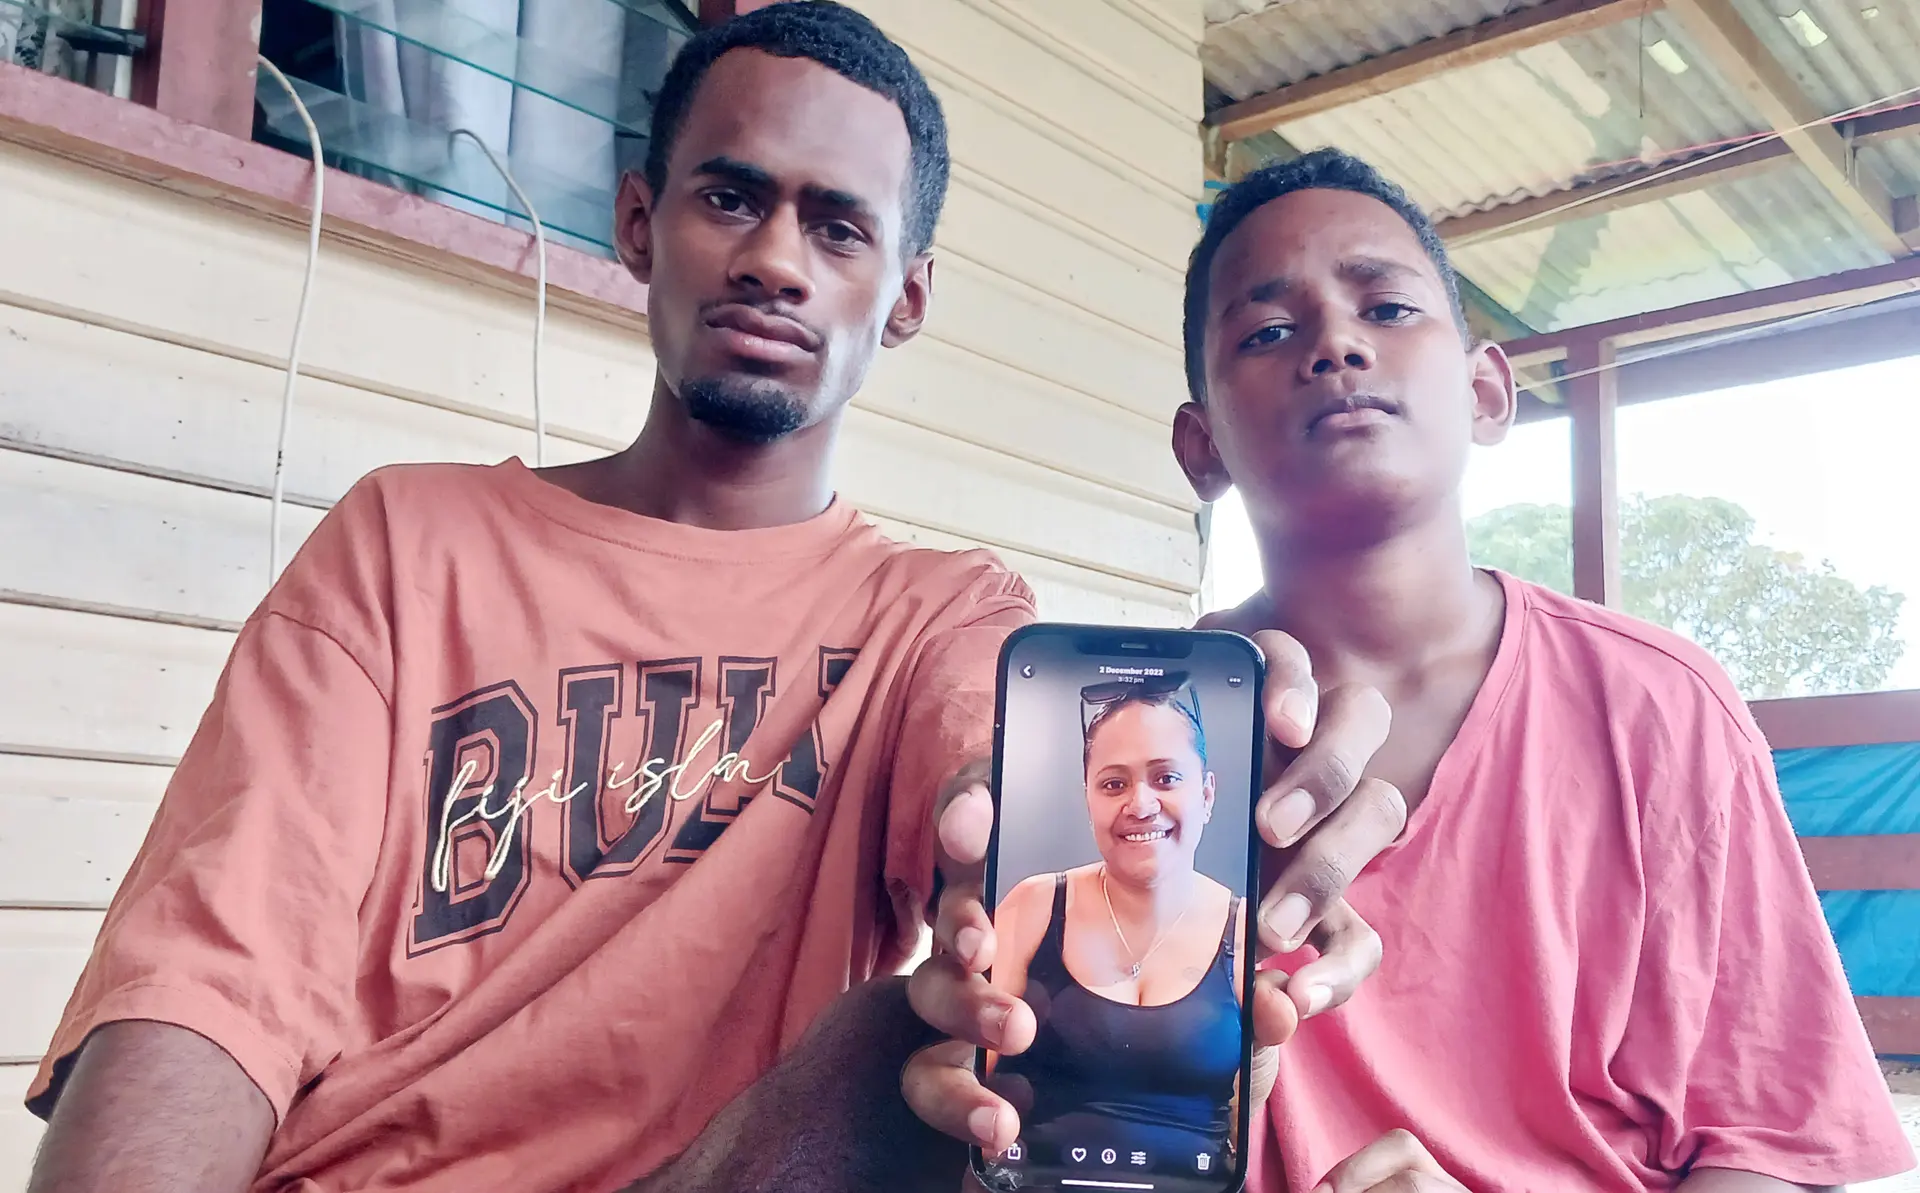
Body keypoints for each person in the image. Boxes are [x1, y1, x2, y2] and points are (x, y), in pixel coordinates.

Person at [22, 6, 1407, 1191]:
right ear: (640, 222)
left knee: (898, 1043)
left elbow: (988, 777)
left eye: (840, 227)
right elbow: (209, 990)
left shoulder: (934, 614)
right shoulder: (411, 541)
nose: (776, 260)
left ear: (905, 299)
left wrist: (1147, 858)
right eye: (731, 198)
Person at [908, 145, 1916, 1192]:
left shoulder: (1660, 707)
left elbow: (1773, 1151)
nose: (1337, 343)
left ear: (1487, 392)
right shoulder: (1138, 736)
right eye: (1267, 330)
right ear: (1200, 447)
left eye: (1386, 309)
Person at [988, 678, 1248, 1171]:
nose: (1140, 803)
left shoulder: (1246, 932)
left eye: (1166, 778)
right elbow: (967, 1074)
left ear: (1207, 794)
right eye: (1114, 784)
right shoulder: (1033, 906)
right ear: (1088, 799)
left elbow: (1258, 1122)